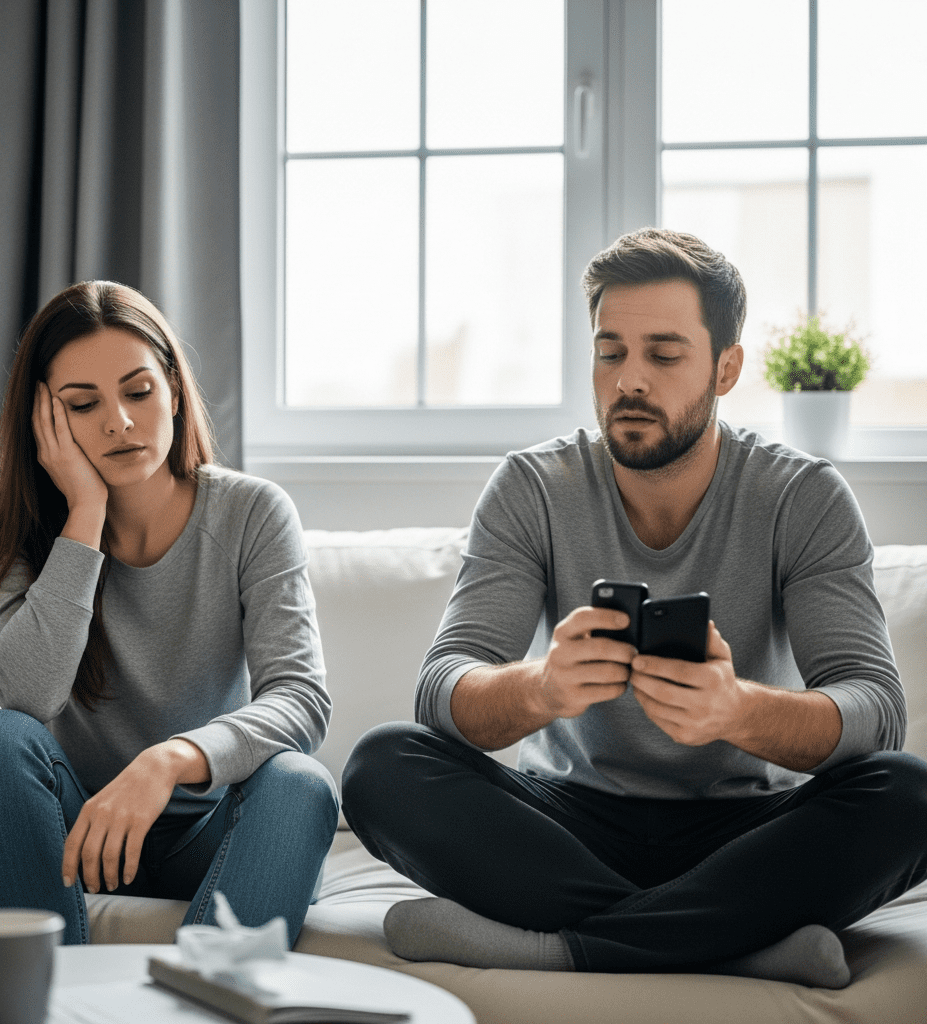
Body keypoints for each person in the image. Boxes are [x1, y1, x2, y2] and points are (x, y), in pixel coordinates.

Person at [342, 228, 927, 988]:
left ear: (726, 368)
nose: (629, 380)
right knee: (381, 766)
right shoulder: (533, 487)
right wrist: (541, 690)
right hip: (568, 821)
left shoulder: (801, 496)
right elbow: (443, 689)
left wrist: (737, 711)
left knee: (910, 794)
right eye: (610, 351)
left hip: (742, 828)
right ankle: (737, 944)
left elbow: (875, 709)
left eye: (664, 353)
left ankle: (562, 948)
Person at [0, 280, 338, 946]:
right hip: (75, 836)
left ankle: (200, 1002)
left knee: (301, 783)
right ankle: (49, 997)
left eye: (138, 391)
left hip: (208, 834)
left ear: (175, 393)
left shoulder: (252, 514)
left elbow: (301, 699)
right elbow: (25, 695)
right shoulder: (21, 532)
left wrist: (169, 761)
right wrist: (85, 516)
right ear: (46, 420)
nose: (118, 422)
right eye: (82, 403)